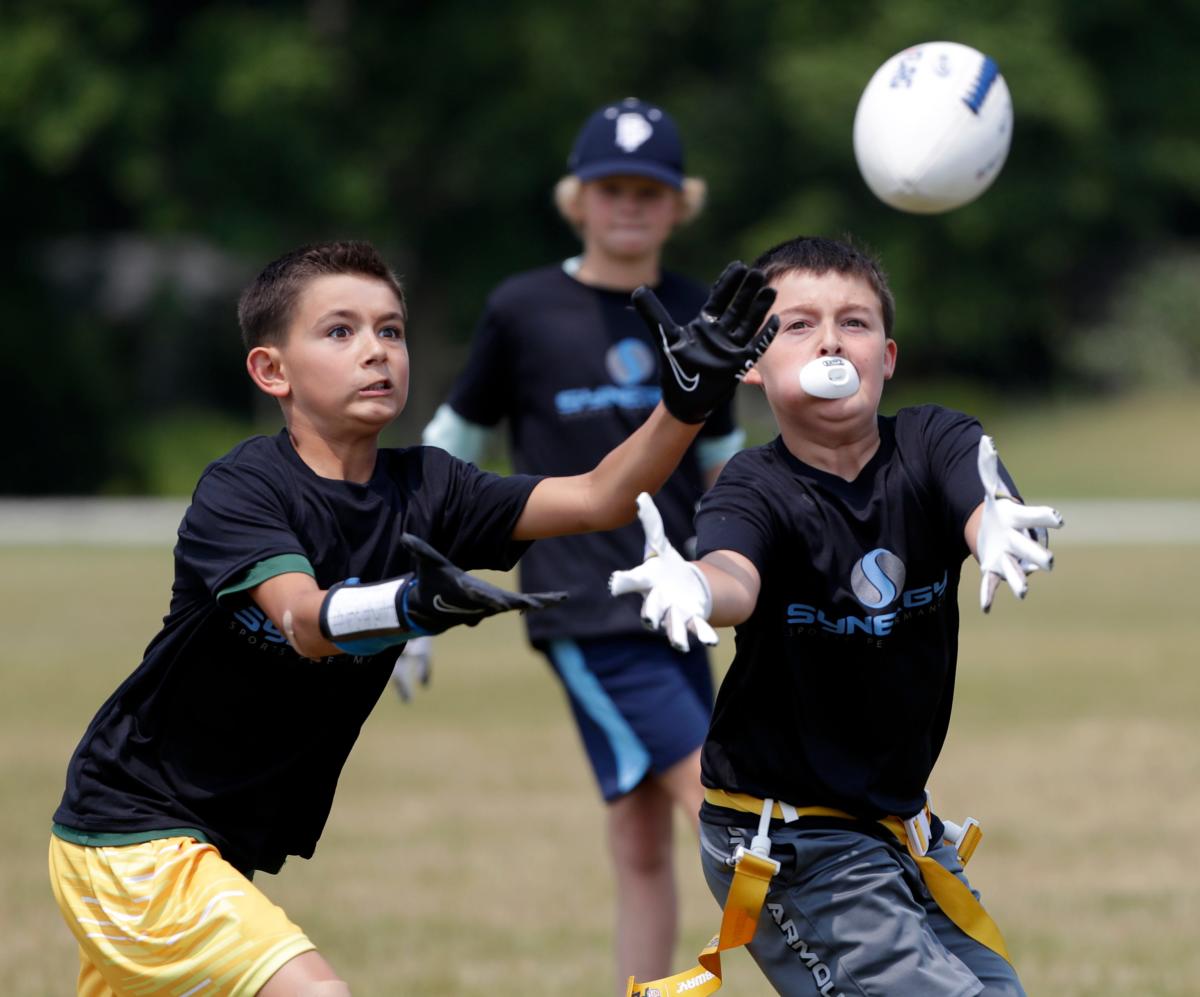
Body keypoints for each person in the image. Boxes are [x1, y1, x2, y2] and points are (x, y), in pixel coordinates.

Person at [47, 240, 778, 997]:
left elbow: (598, 496)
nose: (376, 351)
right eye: (340, 332)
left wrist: (687, 400)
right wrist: (405, 603)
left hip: (205, 847)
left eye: (390, 330)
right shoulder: (245, 487)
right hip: (133, 836)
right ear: (272, 371)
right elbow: (302, 619)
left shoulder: (429, 487)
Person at [610, 235, 1064, 996]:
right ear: (752, 364)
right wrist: (694, 585)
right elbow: (735, 577)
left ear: (886, 357)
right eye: (799, 324)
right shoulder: (754, 485)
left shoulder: (933, 440)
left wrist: (997, 527)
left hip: (895, 830)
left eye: (853, 322)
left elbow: (979, 497)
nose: (829, 339)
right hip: (785, 837)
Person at [420, 97, 742, 989]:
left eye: (651, 189)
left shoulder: (699, 307)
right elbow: (451, 440)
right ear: (578, 199)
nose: (630, 205)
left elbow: (723, 463)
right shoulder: (523, 308)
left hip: (682, 602)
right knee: (720, 803)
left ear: (680, 203)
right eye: (612, 188)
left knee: (643, 837)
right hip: (586, 607)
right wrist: (405, 569)